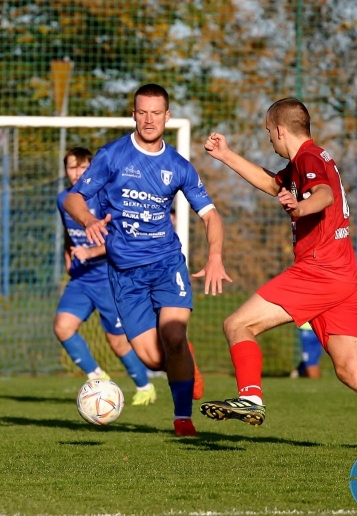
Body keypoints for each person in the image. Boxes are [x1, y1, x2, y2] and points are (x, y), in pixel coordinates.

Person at [200, 98, 357, 452]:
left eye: (268, 132)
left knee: (238, 324)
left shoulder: (308, 159)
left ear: (280, 130)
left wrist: (301, 207)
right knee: (350, 368)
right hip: (346, 275)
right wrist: (226, 155)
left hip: (320, 271)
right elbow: (272, 184)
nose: (269, 138)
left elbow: (325, 195)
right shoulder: (307, 160)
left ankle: (250, 398)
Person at [63, 83, 230, 437]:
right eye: (142, 113)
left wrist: (215, 256)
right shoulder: (112, 156)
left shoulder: (178, 166)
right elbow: (73, 199)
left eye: (156, 113)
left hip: (167, 264)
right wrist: (89, 220)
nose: (149, 120)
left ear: (167, 116)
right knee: (153, 358)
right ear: (134, 115)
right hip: (125, 273)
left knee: (173, 335)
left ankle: (183, 419)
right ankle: (185, 360)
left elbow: (211, 216)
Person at [56, 147, 157, 406]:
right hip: (81, 278)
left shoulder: (106, 197)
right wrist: (68, 257)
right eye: (72, 167)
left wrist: (90, 252)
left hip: (109, 278)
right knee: (62, 327)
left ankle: (145, 387)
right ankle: (97, 376)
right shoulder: (64, 199)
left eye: (83, 167)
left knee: (118, 343)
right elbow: (68, 232)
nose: (77, 172)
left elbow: (122, 238)